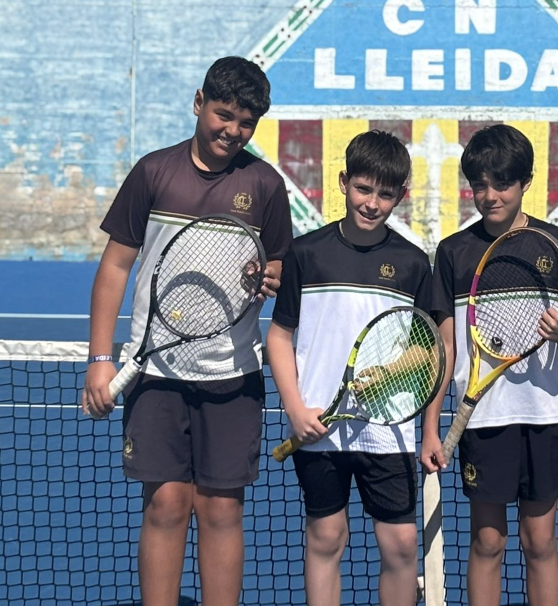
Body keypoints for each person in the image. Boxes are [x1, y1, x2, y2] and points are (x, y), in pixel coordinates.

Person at [82, 56, 292, 606]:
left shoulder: (265, 185)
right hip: (155, 371)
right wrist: (100, 359)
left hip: (232, 374)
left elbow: (278, 264)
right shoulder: (154, 173)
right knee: (166, 504)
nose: (232, 130)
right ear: (199, 103)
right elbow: (115, 267)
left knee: (221, 509)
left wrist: (271, 273)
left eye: (246, 123)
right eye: (223, 114)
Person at [420, 124, 558, 606]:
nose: (489, 196)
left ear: (526, 182)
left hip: (544, 415)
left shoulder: (557, 243)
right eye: (479, 185)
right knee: (487, 542)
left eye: (502, 184)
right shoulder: (454, 253)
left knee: (540, 542)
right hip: (482, 419)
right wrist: (431, 428)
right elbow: (444, 350)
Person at [265, 130, 431, 606]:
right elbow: (279, 336)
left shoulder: (412, 262)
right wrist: (295, 409)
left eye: (385, 194)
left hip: (388, 429)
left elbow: (427, 349)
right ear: (343, 182)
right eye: (363, 189)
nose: (372, 203)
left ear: (401, 195)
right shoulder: (306, 254)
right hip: (317, 425)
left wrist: (392, 371)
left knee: (401, 545)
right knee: (326, 536)